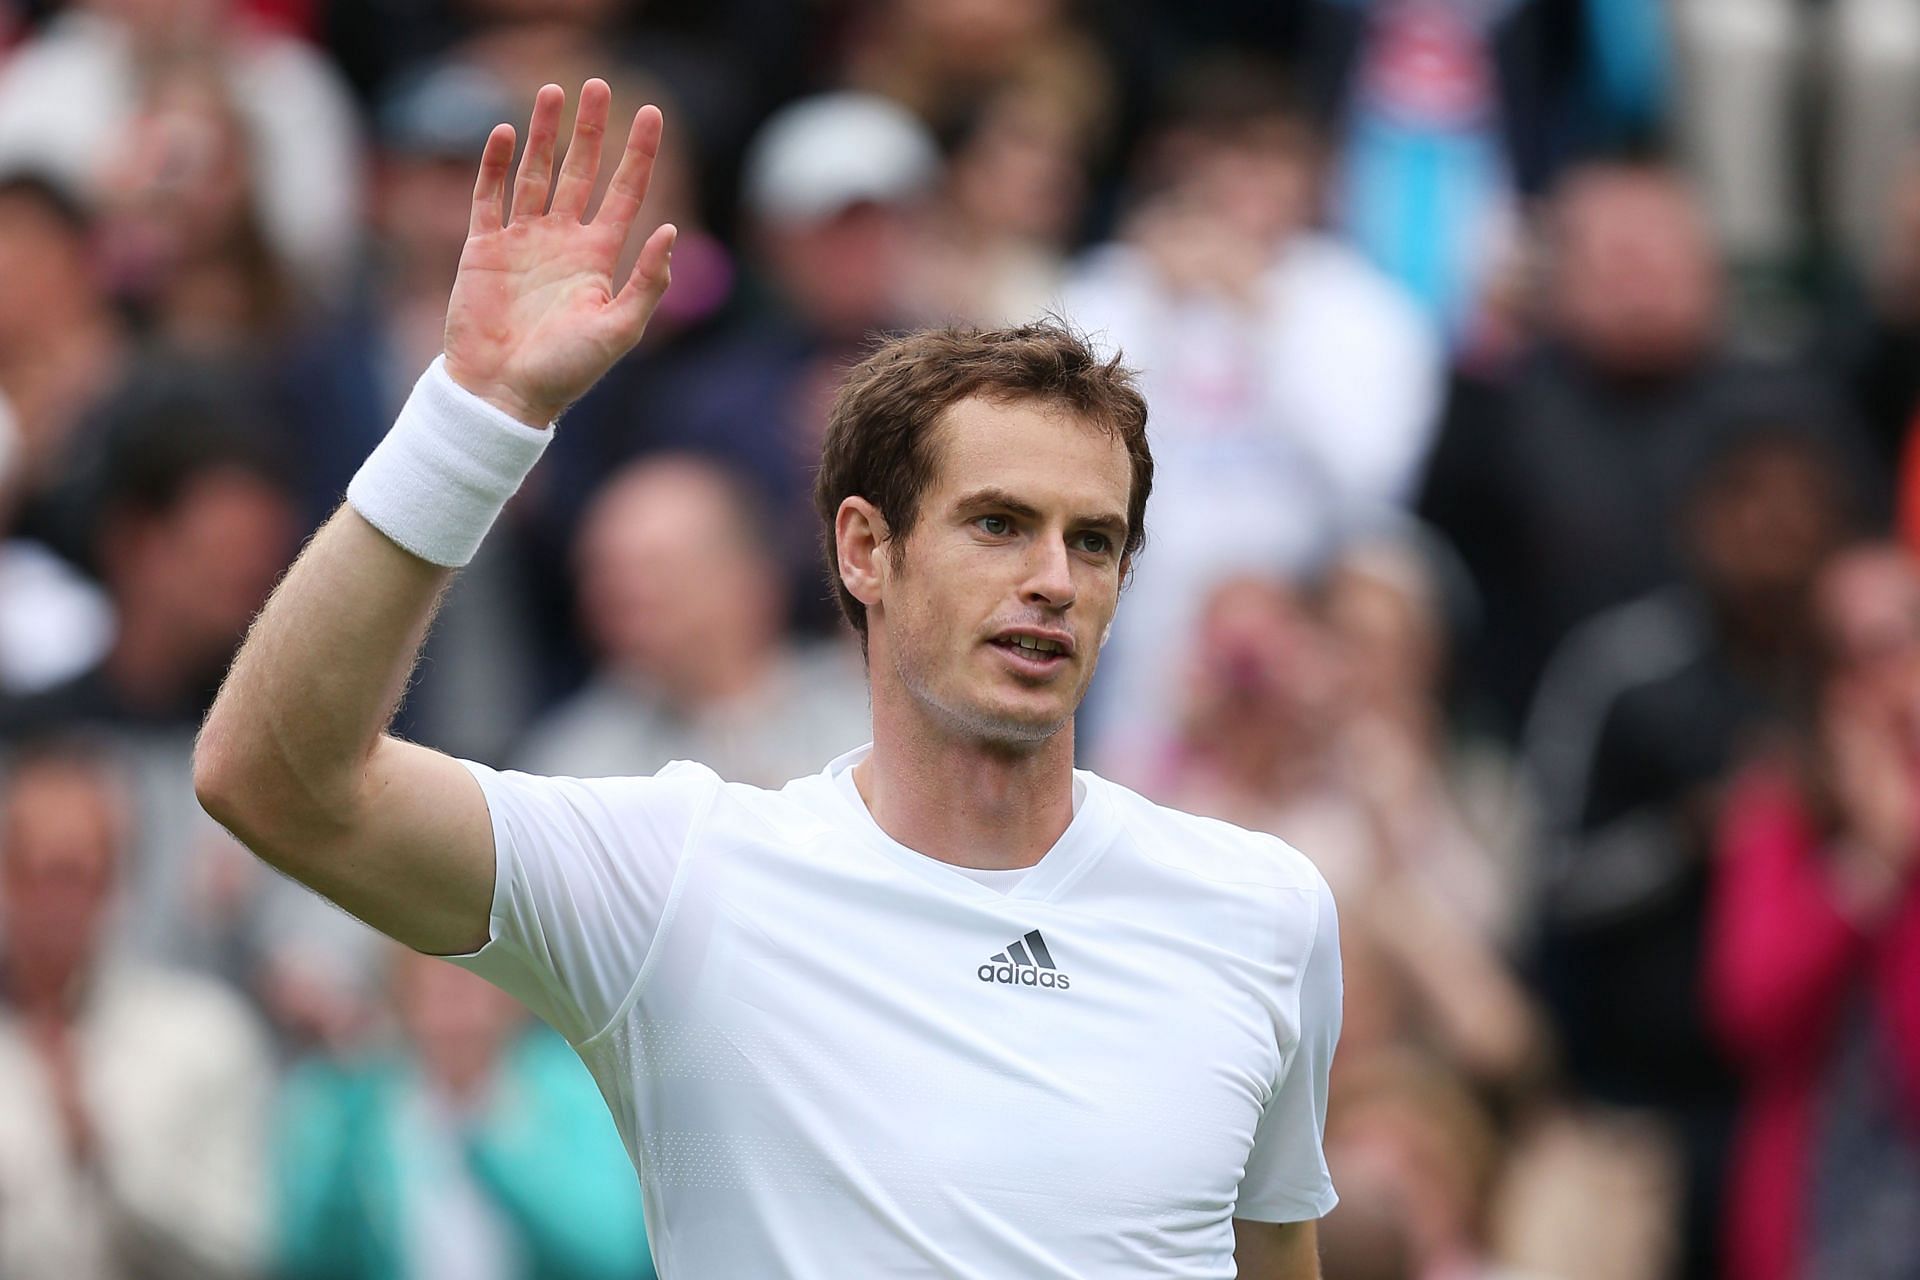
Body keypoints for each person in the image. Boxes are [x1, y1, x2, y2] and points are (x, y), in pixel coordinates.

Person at [194, 80, 1342, 1277]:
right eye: (998, 523)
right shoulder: (674, 876)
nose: (1054, 576)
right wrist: (474, 419)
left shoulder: (1264, 908)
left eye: (1093, 539)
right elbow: (273, 780)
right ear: (864, 547)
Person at [0, 738, 274, 1278]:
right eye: (31, 870)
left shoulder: (204, 1035)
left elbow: (239, 1249)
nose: (52, 900)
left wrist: (104, 1161)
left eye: (76, 873)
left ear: (116, 881)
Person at [276, 948, 653, 1280]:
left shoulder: (569, 1087)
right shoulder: (359, 1099)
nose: (454, 1012)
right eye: (435, 989)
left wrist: (486, 1144)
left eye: (470, 985)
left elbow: (614, 1253)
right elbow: (306, 1250)